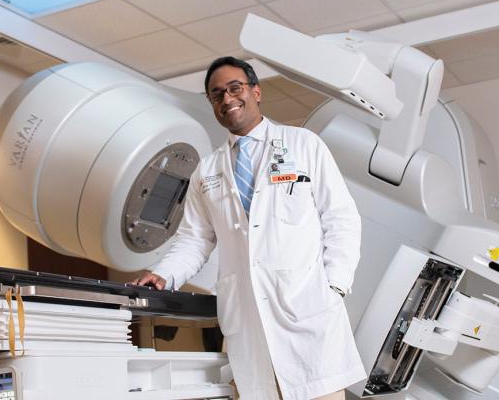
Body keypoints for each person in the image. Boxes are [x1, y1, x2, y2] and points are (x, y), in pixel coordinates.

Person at [133, 57, 366, 400]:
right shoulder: (207, 171)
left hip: (308, 316)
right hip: (248, 324)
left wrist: (334, 288)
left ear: (256, 91)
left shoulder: (304, 145)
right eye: (216, 94)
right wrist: (164, 274)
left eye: (235, 88)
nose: (227, 99)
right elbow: (195, 239)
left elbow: (341, 219)